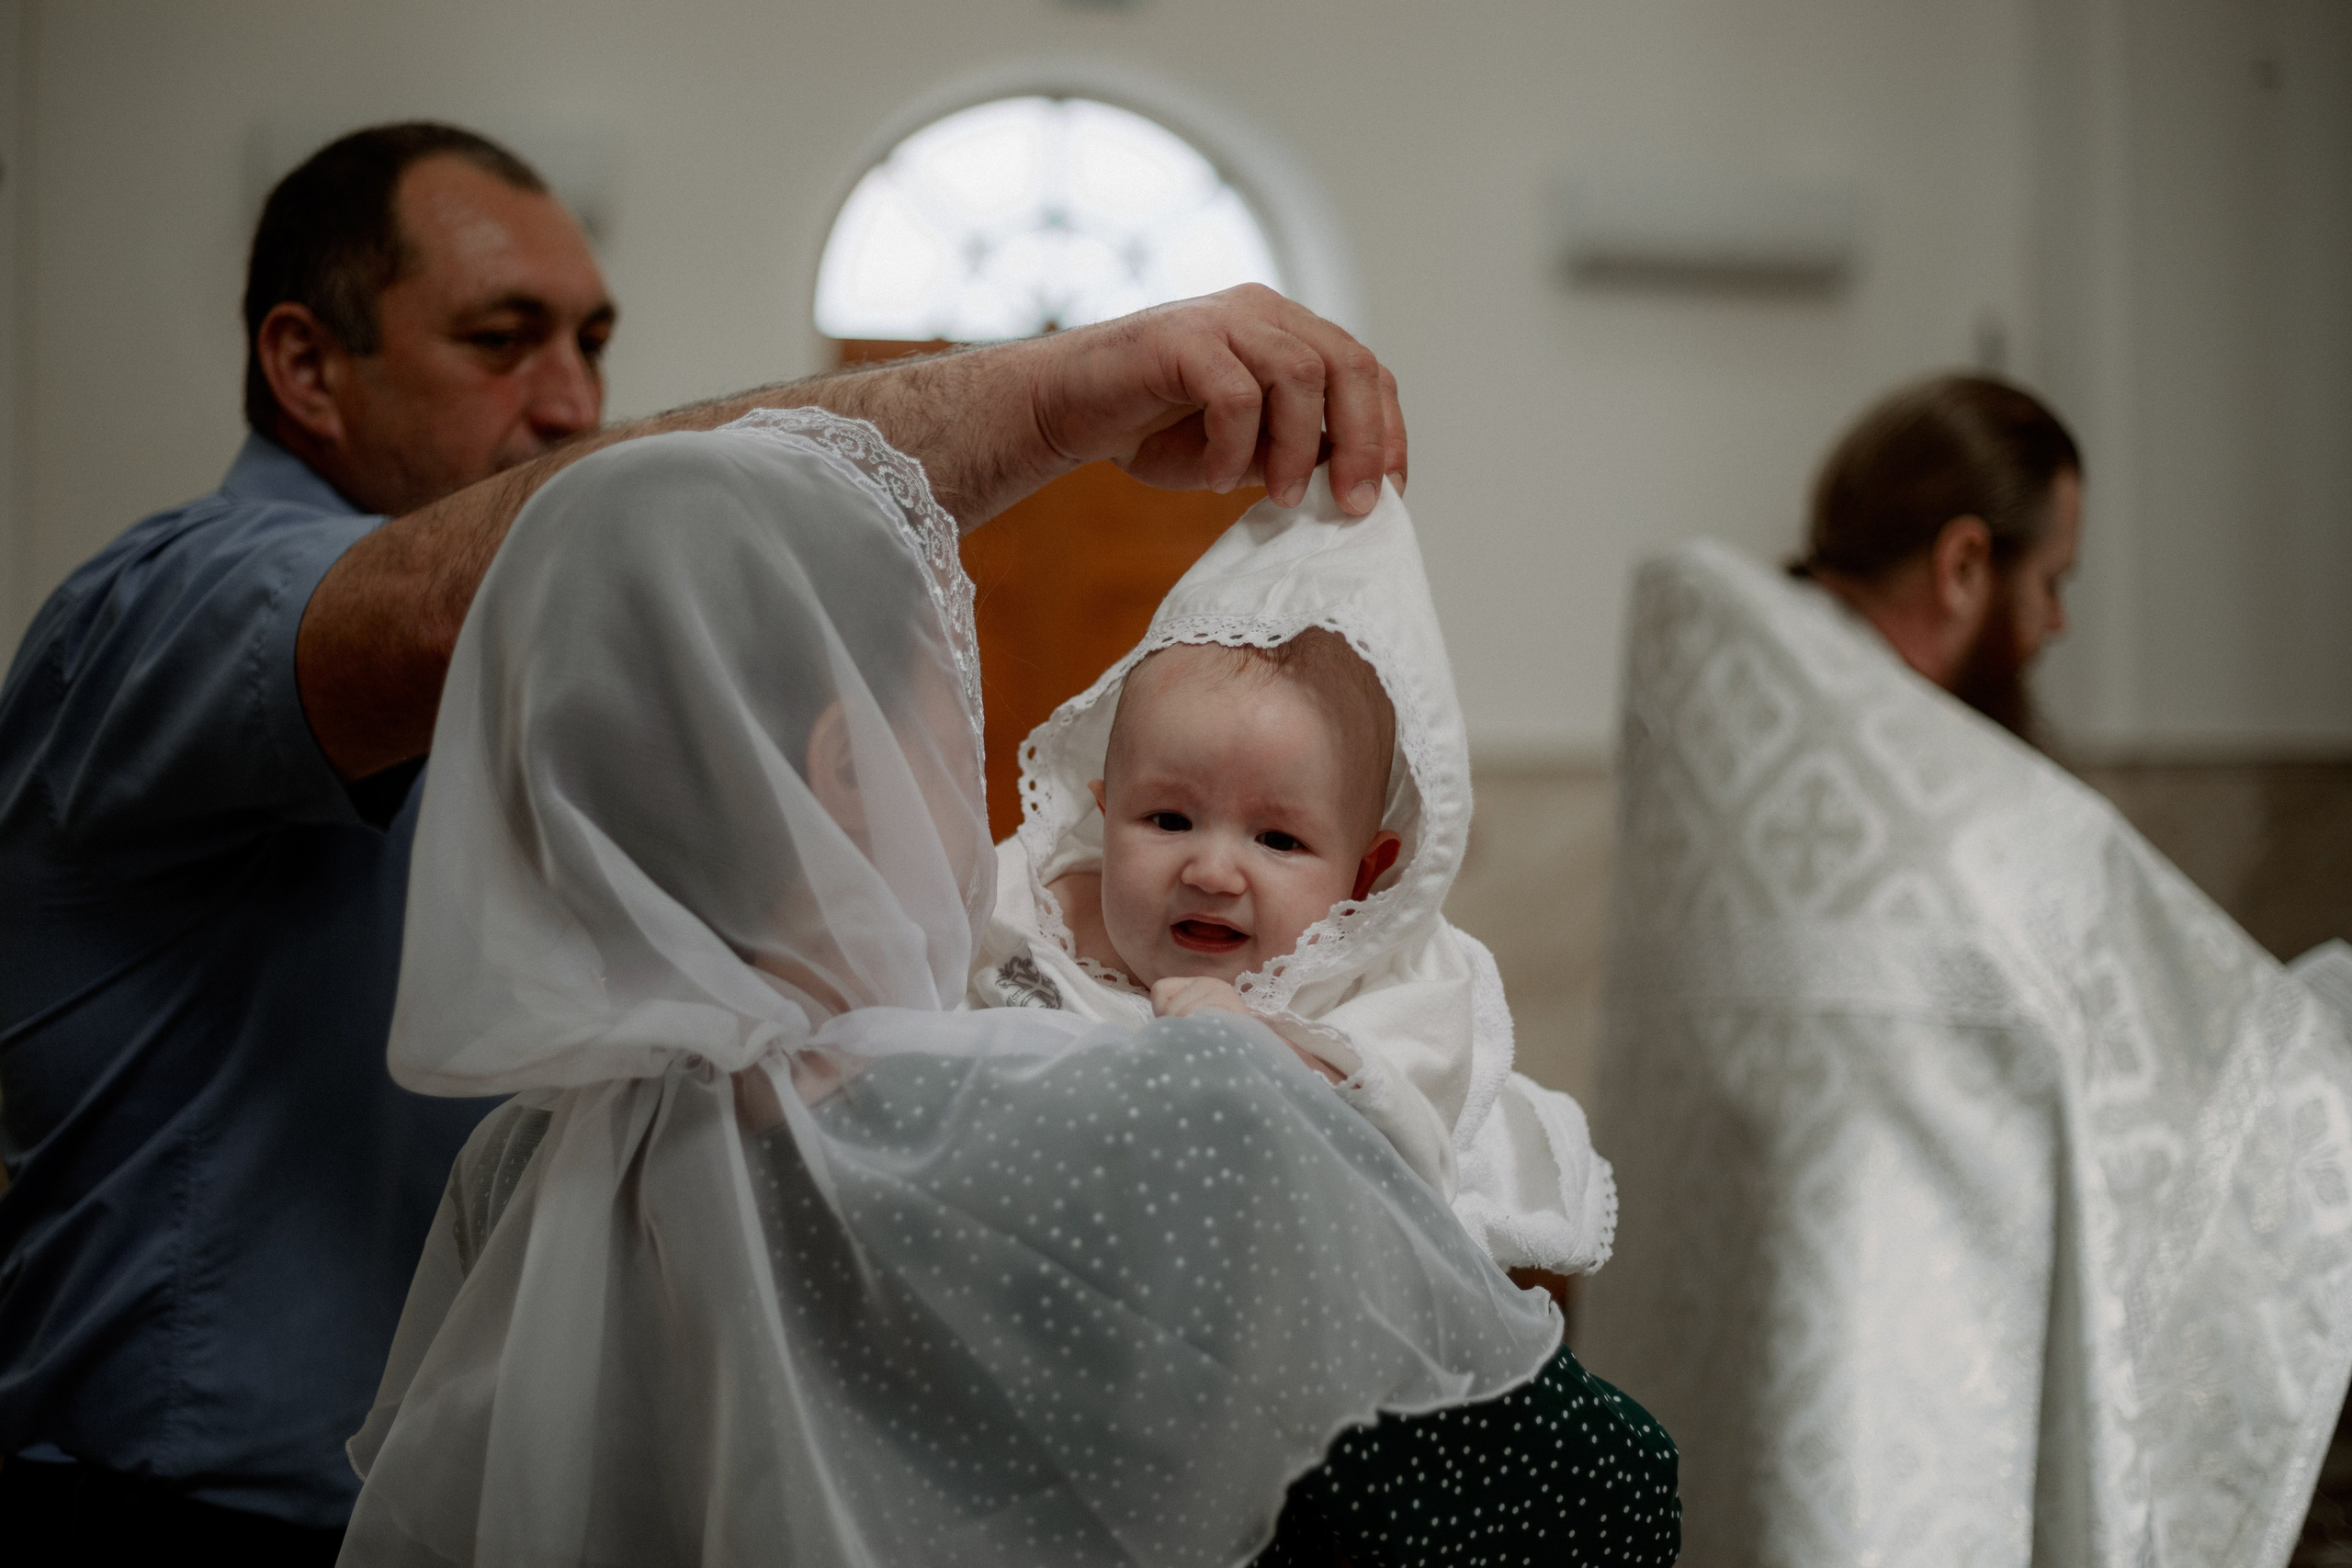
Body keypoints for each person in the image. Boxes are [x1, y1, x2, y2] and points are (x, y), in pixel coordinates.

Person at [0, 118, 1408, 1559]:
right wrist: (1057, 397)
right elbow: (489, 581)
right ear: (307, 365)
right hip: (184, 1505)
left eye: (592, 340)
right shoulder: (159, 611)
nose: (570, 398)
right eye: (503, 340)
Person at [338, 412, 1634, 1565]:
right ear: (847, 761)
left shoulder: (519, 1164)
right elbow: (1599, 1493)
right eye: (946, 699)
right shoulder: (1172, 1113)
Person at [1579, 374, 2352, 1565]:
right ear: (1961, 566)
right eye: (2054, 583)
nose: (2057, 627)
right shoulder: (1973, 830)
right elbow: (2211, 1084)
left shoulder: (1729, 759)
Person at [974, 472, 1620, 1282]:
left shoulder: (1391, 982)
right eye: (1167, 820)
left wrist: (1261, 1058)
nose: (1211, 869)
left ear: (1367, 871)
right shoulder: (1032, 903)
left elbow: (1399, 1157)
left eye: (1276, 838)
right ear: (1103, 816)